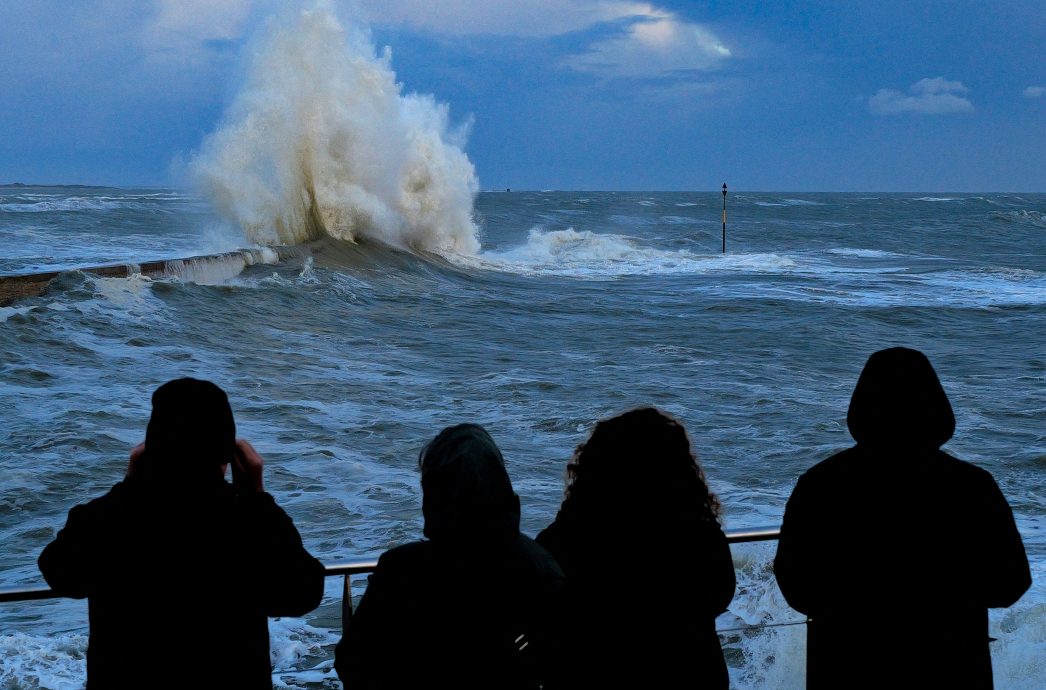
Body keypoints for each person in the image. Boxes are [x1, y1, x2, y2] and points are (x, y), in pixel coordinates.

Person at [38, 378, 325, 690]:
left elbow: (60, 572)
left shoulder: (112, 517)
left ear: (151, 447)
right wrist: (257, 498)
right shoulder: (247, 522)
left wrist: (130, 484)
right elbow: (302, 594)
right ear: (226, 454)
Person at [774, 347, 1031, 689]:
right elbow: (1010, 582)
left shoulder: (822, 483)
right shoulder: (971, 485)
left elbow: (797, 583)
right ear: (935, 408)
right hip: (949, 660)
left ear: (862, 408)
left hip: (847, 659)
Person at [335, 423, 565, 690]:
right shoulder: (541, 570)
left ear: (432, 497)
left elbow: (352, 662)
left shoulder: (400, 572)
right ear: (500, 483)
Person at [537, 407, 736, 690]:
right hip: (690, 673)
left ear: (595, 465)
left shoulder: (573, 533)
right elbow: (720, 592)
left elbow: (539, 595)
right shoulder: (696, 532)